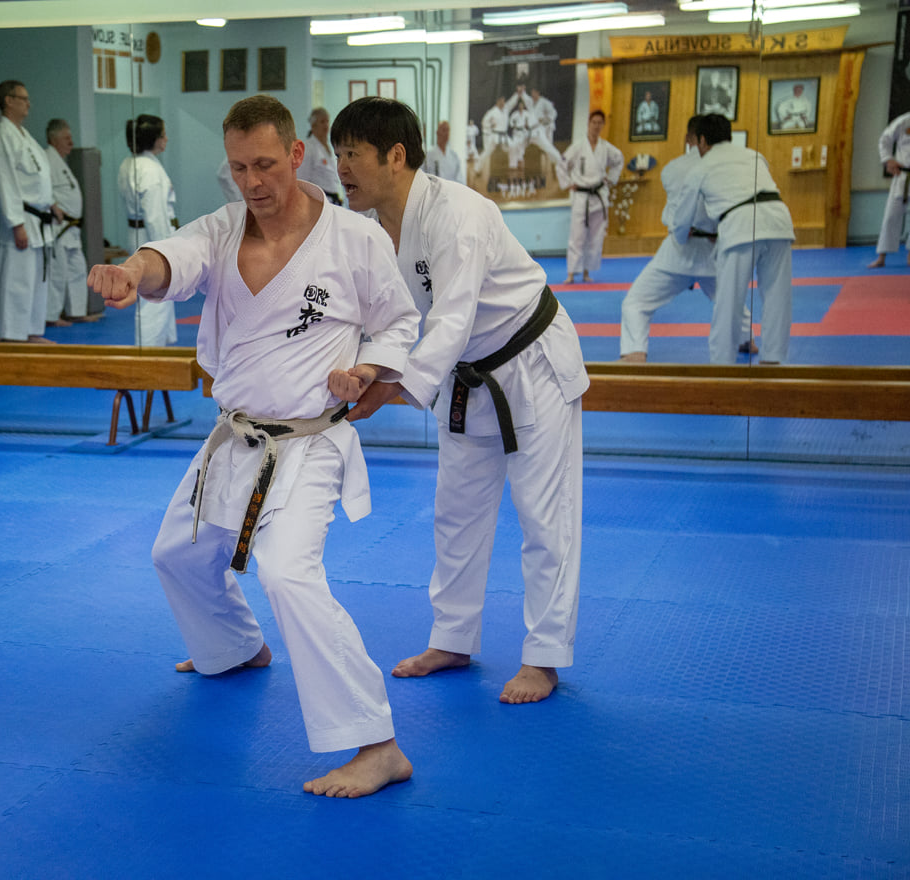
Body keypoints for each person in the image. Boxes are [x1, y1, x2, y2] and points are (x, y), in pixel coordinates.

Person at [88, 95, 418, 798]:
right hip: (235, 437)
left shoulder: (353, 239)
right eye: (239, 168)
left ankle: (378, 745)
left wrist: (367, 370)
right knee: (176, 554)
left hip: (309, 442)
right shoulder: (222, 229)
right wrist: (132, 272)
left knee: (288, 575)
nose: (253, 181)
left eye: (265, 164)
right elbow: (169, 257)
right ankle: (237, 647)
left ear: (297, 155)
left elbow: (398, 322)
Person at [332, 96, 588, 705]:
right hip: (465, 377)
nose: (341, 168)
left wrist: (391, 385)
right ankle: (452, 639)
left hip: (530, 365)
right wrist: (365, 367)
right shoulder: (370, 231)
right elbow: (385, 317)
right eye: (337, 154)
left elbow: (450, 319)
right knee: (456, 512)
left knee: (544, 517)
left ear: (396, 156)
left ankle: (544, 656)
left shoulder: (458, 214)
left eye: (353, 154)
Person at [619, 117, 754, 363]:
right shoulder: (733, 167)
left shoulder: (673, 169)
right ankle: (746, 338)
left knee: (636, 302)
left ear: (691, 138)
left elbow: (676, 214)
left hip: (678, 250)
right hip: (714, 248)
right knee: (729, 298)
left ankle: (635, 351)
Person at [671, 113, 793, 365]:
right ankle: (774, 361)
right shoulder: (754, 155)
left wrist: (681, 239)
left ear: (702, 140)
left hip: (741, 225)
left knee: (729, 301)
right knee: (777, 296)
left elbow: (682, 220)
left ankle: (721, 366)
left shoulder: (700, 168)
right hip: (779, 220)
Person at [0, 80, 55, 343]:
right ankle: (13, 337)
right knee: (17, 282)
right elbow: (4, 181)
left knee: (37, 281)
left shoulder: (23, 135)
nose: (29, 104)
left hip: (38, 219)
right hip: (21, 219)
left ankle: (32, 333)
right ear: (8, 101)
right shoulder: (1, 134)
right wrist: (16, 223)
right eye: (23, 98)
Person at [117, 114, 177, 347]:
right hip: (152, 236)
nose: (166, 139)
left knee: (159, 293)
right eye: (163, 134)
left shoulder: (130, 163)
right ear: (153, 139)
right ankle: (151, 350)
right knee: (154, 296)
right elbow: (154, 214)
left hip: (137, 232)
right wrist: (166, 249)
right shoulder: (150, 169)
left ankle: (163, 343)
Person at [556, 110, 623, 284]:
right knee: (577, 236)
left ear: (603, 125)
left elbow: (619, 160)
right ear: (588, 124)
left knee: (595, 237)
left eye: (600, 123)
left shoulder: (606, 147)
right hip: (581, 196)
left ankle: (586, 272)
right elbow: (561, 164)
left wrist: (611, 178)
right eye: (594, 122)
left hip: (599, 195)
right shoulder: (578, 146)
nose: (596, 126)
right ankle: (571, 273)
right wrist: (567, 183)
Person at [44, 118, 89, 324]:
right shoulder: (47, 159)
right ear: (54, 139)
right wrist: (54, 206)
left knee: (77, 269)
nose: (71, 142)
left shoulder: (60, 162)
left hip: (71, 228)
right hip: (58, 226)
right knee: (58, 272)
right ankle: (52, 316)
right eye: (66, 138)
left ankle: (77, 312)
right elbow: (42, 189)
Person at [869, 111, 910, 268]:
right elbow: (885, 139)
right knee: (890, 216)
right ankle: (881, 257)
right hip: (901, 175)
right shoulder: (904, 121)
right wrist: (888, 160)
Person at [299, 107, 345, 205]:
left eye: (327, 121)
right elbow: (302, 180)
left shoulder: (330, 147)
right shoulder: (308, 148)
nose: (326, 125)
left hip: (335, 201)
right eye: (322, 122)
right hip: (318, 202)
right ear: (313, 125)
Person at [525, 88, 564, 168]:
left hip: (546, 127)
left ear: (538, 93)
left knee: (548, 146)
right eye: (531, 93)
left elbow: (553, 113)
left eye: (534, 93)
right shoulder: (531, 103)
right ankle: (555, 161)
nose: (532, 95)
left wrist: (545, 119)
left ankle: (559, 161)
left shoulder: (544, 102)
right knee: (546, 146)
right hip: (536, 129)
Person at [475, 97, 510, 177]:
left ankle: (511, 168)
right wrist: (490, 125)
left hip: (504, 136)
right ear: (498, 101)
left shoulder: (505, 110)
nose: (503, 103)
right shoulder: (492, 112)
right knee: (486, 152)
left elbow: (511, 102)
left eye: (504, 101)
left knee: (512, 148)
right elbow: (484, 122)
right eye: (501, 101)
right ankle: (477, 169)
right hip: (494, 135)